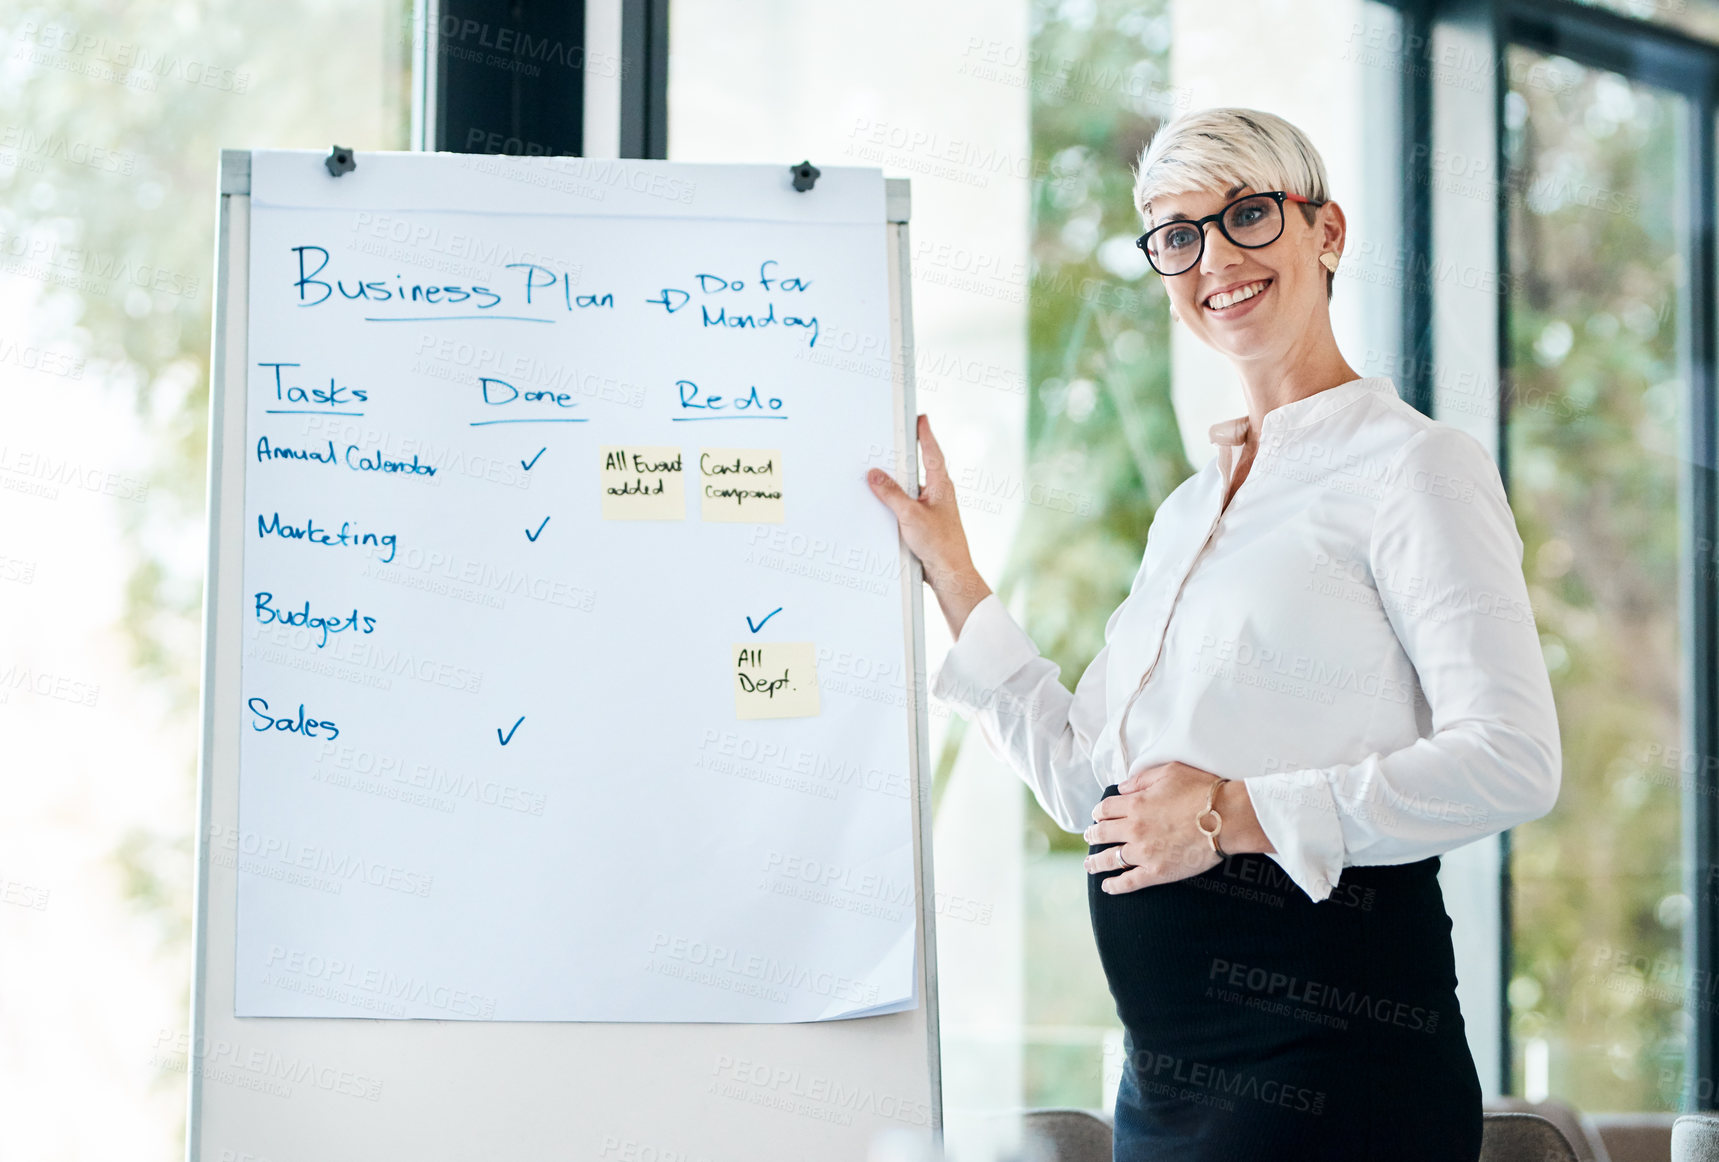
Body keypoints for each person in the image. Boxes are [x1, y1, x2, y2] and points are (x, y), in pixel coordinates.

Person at [864, 106, 1561, 1161]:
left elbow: (1513, 762)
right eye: (1178, 235)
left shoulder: (1414, 468)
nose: (1215, 259)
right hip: (1169, 1085)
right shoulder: (1191, 511)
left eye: (1246, 215)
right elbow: (1091, 784)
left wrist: (1232, 812)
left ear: (1326, 232)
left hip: (1338, 1067)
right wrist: (953, 572)